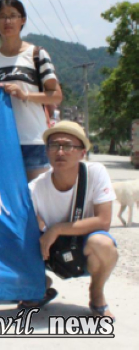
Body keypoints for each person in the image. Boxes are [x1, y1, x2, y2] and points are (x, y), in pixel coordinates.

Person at [26, 121, 117, 320]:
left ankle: (96, 294)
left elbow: (104, 221)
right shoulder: (35, 188)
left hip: (85, 248)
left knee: (103, 243)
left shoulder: (95, 173)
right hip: (53, 252)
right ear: (46, 152)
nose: (60, 152)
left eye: (67, 146)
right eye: (54, 145)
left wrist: (57, 228)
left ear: (82, 153)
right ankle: (40, 284)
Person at [0, 0, 62, 181]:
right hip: (1, 142)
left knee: (36, 197)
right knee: (6, 197)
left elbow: (56, 96)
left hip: (33, 140)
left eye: (13, 16)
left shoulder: (37, 54)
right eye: (2, 16)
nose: (8, 21)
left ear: (22, 20)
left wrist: (25, 95)